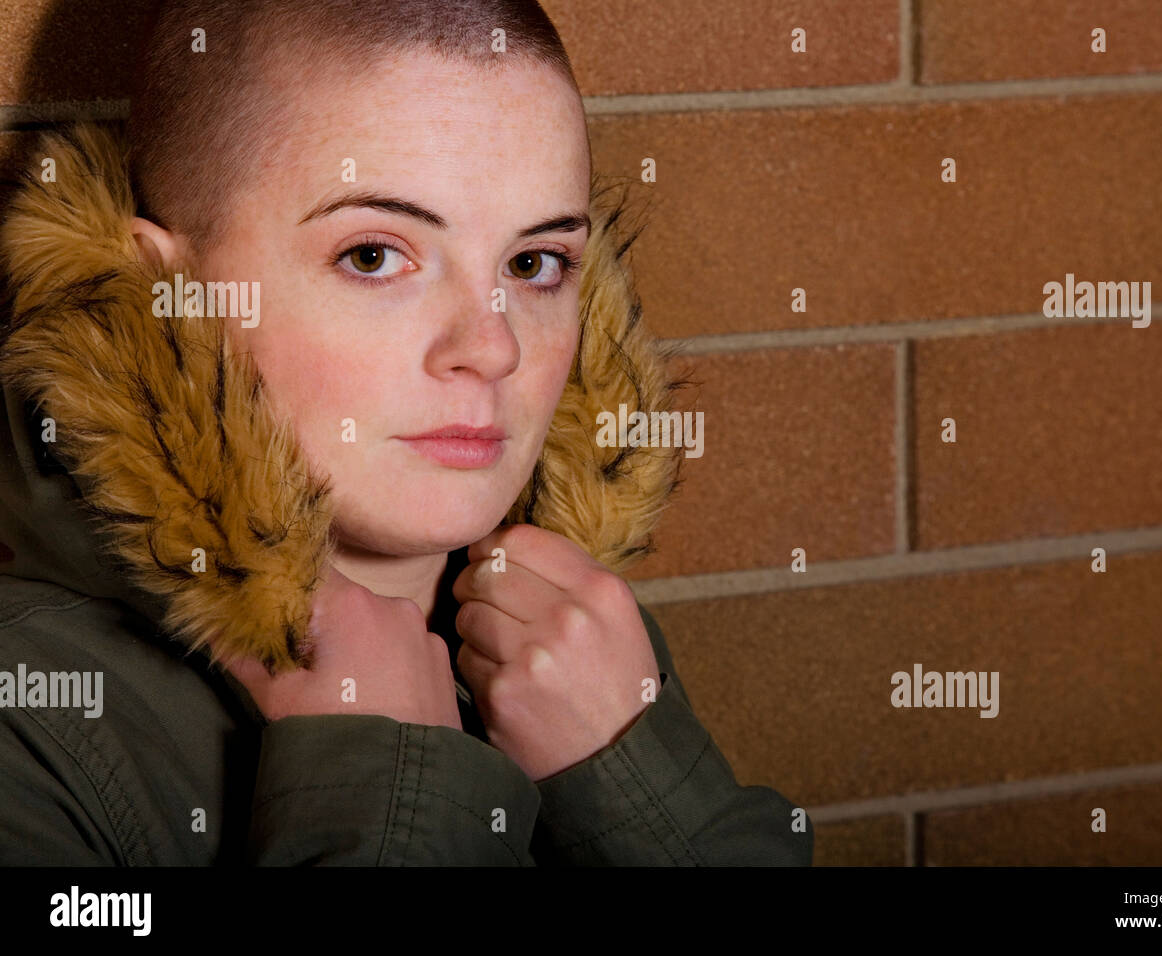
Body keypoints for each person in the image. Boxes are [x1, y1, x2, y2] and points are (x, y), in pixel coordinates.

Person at [0, 0, 813, 865]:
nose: (491, 348)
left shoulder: (584, 655)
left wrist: (646, 793)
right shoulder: (33, 732)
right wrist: (387, 788)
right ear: (162, 294)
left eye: (535, 264)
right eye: (374, 255)